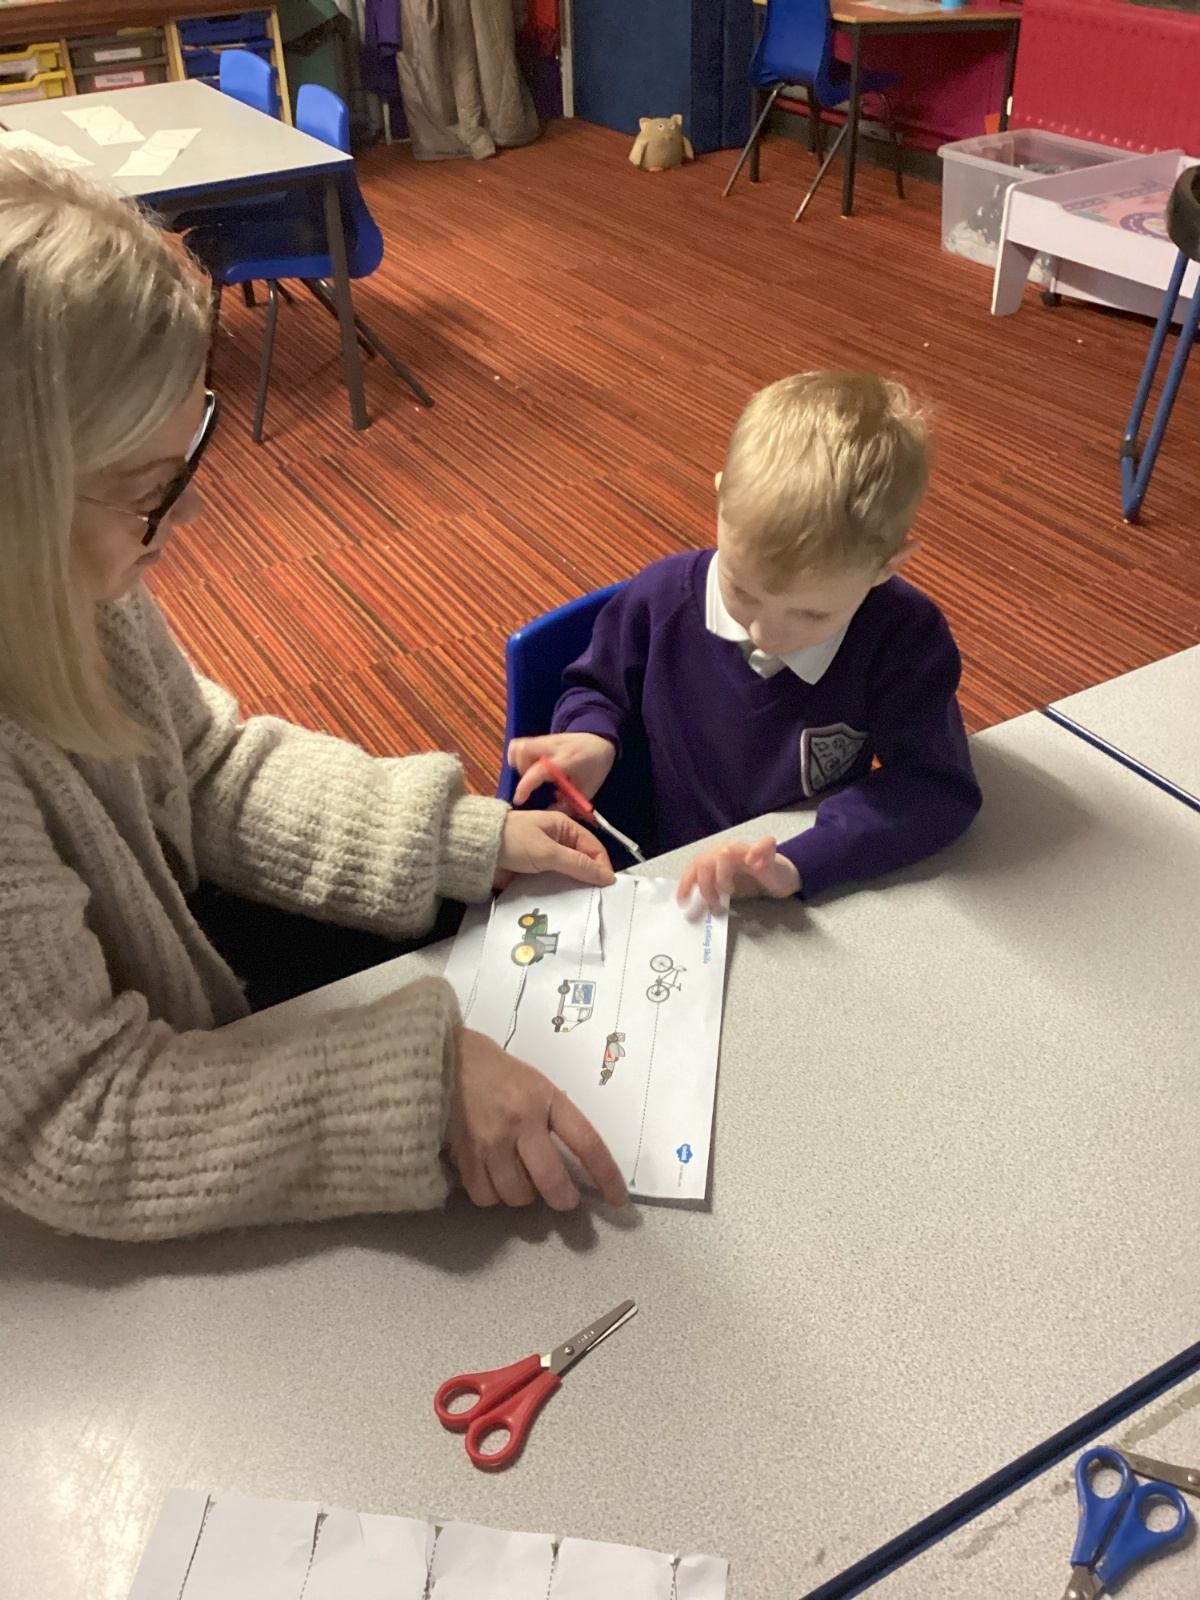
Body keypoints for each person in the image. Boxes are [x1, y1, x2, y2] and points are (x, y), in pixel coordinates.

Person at [0, 153, 627, 1243]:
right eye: (149, 491)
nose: (185, 521)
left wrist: (453, 835)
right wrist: (418, 1087)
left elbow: (204, 766)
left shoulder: (75, 583)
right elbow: (75, 1117)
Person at [509, 371, 983, 909]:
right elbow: (597, 688)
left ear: (886, 567)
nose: (766, 634)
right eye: (742, 591)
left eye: (812, 613)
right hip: (662, 868)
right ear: (719, 503)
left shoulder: (904, 638)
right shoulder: (659, 598)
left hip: (782, 871)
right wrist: (592, 736)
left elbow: (934, 787)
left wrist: (798, 861)